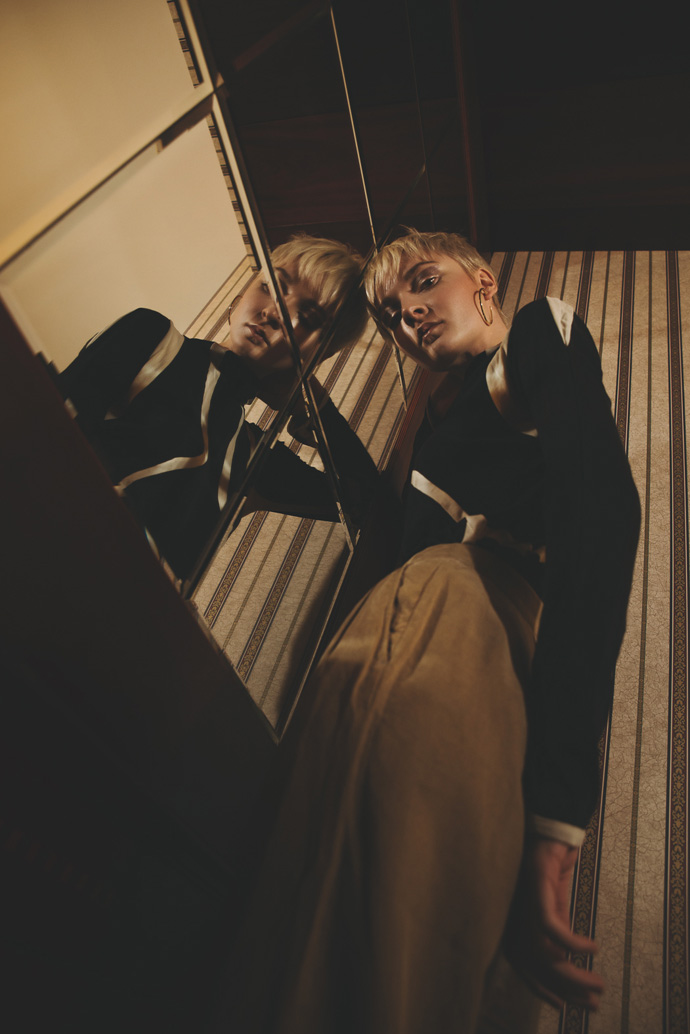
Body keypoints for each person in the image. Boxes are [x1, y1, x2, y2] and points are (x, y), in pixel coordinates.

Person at [214, 230, 640, 1033]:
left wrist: (558, 805)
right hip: (399, 637)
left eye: (422, 281)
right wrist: (294, 388)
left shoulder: (535, 336)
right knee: (313, 892)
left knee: (408, 910)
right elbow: (369, 504)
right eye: (388, 313)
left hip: (474, 622)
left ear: (483, 281)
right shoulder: (429, 442)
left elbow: (602, 511)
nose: (406, 313)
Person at [59, 235, 378, 582]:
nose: (273, 312)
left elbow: (369, 501)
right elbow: (46, 428)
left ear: (320, 354)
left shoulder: (253, 459)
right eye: (271, 286)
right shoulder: (150, 335)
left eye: (308, 316)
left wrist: (311, 401)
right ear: (243, 293)